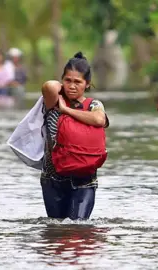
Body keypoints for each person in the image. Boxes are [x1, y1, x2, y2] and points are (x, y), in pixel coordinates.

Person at [40, 52, 109, 220]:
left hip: (84, 180)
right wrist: (61, 98)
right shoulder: (54, 101)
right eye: (67, 80)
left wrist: (67, 111)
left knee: (78, 228)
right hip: (53, 178)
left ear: (87, 84)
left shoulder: (93, 105)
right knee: (57, 229)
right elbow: (49, 85)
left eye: (77, 82)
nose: (72, 86)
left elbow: (100, 120)